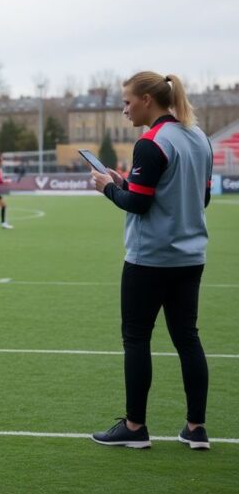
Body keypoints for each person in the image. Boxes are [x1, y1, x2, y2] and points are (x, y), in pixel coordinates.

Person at [90, 72, 213, 450]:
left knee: (137, 338)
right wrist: (126, 184)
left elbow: (139, 205)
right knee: (188, 339)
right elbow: (200, 198)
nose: (124, 110)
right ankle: (196, 428)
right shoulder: (200, 138)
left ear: (147, 99)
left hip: (150, 259)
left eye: (127, 102)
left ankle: (135, 427)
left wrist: (108, 189)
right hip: (190, 256)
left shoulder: (151, 142)